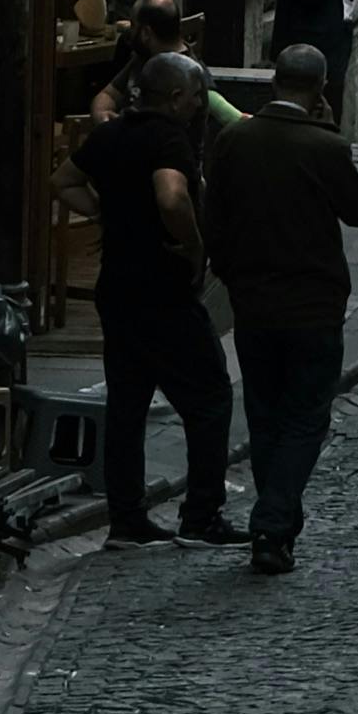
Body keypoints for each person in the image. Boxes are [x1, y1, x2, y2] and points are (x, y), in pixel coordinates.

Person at [200, 46, 358, 575]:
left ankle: (277, 524)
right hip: (313, 306)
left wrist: (233, 277)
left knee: (265, 413)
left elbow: (216, 221)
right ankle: (273, 524)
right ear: (320, 89)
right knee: (304, 418)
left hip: (255, 303)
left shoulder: (233, 141)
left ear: (275, 83)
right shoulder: (324, 147)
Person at [74, 47, 240, 545]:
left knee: (128, 403)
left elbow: (63, 181)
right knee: (210, 396)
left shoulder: (110, 134)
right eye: (194, 98)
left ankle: (126, 518)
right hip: (162, 287)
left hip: (116, 284)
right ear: (174, 97)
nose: (198, 108)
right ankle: (201, 515)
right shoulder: (169, 137)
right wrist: (193, 247)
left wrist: (105, 214)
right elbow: (171, 194)